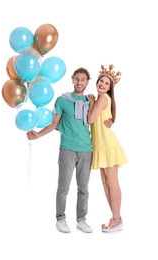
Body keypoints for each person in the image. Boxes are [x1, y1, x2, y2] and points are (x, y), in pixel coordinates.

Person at [27, 67, 112, 233]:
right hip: (67, 148)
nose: (80, 82)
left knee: (83, 189)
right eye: (77, 79)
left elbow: (102, 116)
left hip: (87, 149)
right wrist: (38, 135)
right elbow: (53, 124)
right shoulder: (62, 100)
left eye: (83, 80)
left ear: (88, 82)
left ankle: (81, 220)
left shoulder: (91, 101)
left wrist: (111, 121)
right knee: (63, 187)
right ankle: (61, 218)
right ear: (73, 79)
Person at [87, 64, 127, 233]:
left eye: (106, 83)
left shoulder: (103, 99)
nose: (102, 84)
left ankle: (117, 219)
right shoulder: (101, 99)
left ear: (110, 88)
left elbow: (90, 120)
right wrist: (93, 102)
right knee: (105, 182)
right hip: (101, 146)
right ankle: (115, 218)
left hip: (107, 146)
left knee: (112, 183)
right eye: (101, 81)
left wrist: (91, 104)